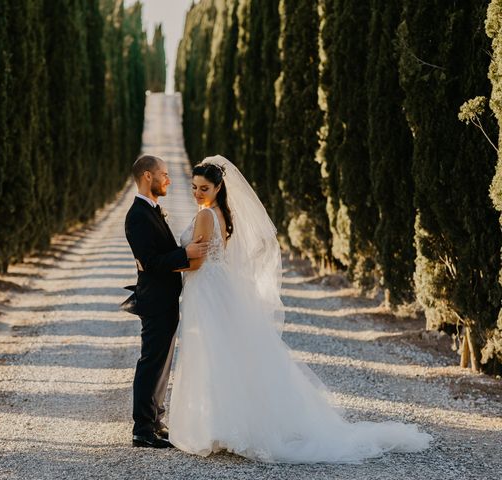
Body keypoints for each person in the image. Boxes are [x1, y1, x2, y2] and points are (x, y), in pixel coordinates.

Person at [168, 155, 432, 463]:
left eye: (203, 188)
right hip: (218, 287)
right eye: (194, 187)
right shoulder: (222, 214)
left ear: (218, 188)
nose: (197, 193)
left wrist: (162, 266)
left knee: (212, 353)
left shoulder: (205, 216)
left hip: (208, 290)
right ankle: (229, 425)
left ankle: (219, 427)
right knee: (225, 353)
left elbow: (197, 261)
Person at [124, 154, 209, 449]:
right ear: (148, 176)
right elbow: (149, 261)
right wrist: (188, 254)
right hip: (155, 299)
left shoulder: (153, 210)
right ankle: (142, 430)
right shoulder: (137, 215)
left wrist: (187, 258)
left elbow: (158, 258)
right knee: (151, 362)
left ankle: (156, 421)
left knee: (161, 363)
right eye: (164, 174)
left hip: (165, 297)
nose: (169, 179)